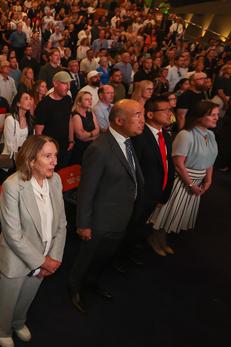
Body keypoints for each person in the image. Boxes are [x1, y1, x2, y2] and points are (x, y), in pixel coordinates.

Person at [0, 135, 67, 347]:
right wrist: (43, 261)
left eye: (55, 156)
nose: (55, 161)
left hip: (46, 254)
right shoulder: (12, 186)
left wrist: (54, 258)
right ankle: (0, 327)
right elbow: (13, 235)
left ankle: (17, 322)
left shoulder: (56, 180)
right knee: (8, 297)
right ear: (32, 160)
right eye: (48, 156)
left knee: (28, 295)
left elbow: (61, 223)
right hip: (17, 257)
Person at [69, 99, 145, 314]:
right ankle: (75, 288)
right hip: (99, 221)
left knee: (104, 257)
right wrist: (83, 224)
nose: (142, 120)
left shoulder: (128, 141)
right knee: (86, 258)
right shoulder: (100, 149)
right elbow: (87, 190)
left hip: (120, 217)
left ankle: (92, 283)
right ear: (120, 120)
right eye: (138, 115)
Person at [148, 101, 219, 254]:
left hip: (198, 181)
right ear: (200, 117)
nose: (216, 118)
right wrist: (192, 184)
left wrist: (209, 179)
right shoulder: (186, 135)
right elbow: (178, 164)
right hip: (182, 181)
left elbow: (210, 159)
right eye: (212, 115)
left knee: (177, 214)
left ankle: (163, 239)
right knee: (168, 213)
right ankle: (155, 239)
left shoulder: (211, 135)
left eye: (217, 115)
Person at [128, 96, 176, 258]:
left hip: (156, 193)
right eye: (165, 110)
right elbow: (134, 169)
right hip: (141, 195)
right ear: (149, 115)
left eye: (170, 109)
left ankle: (132, 250)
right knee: (131, 227)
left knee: (140, 226)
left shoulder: (166, 136)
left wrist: (165, 192)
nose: (170, 113)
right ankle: (123, 257)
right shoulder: (139, 136)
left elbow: (167, 165)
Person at [34, 71, 73, 168]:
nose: (68, 87)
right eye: (65, 83)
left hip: (65, 146)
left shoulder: (68, 99)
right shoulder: (44, 104)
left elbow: (69, 120)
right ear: (55, 83)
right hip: (49, 150)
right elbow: (39, 132)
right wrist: (43, 151)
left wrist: (71, 140)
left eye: (69, 83)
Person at [69, 91, 100, 165]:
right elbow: (81, 136)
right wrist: (94, 135)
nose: (90, 101)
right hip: (81, 149)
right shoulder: (76, 115)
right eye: (86, 99)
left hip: (92, 146)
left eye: (91, 99)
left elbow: (98, 130)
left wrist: (89, 135)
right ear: (79, 102)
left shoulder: (90, 112)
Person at [3, 91, 34, 160]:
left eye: (30, 99)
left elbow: (31, 140)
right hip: (12, 158)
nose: (29, 101)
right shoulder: (10, 120)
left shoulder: (30, 119)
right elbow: (9, 144)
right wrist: (20, 158)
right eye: (26, 99)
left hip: (26, 157)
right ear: (18, 103)